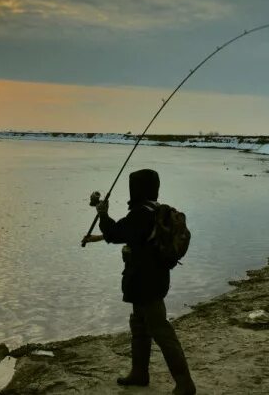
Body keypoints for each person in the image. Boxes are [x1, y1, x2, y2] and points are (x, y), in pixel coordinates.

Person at [83, 169, 196, 395]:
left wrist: (103, 215)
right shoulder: (156, 210)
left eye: (133, 185)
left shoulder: (141, 214)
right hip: (154, 278)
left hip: (145, 281)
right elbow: (129, 234)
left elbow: (116, 233)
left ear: (137, 189)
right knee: (139, 325)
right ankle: (139, 373)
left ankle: (185, 384)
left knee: (160, 330)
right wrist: (101, 231)